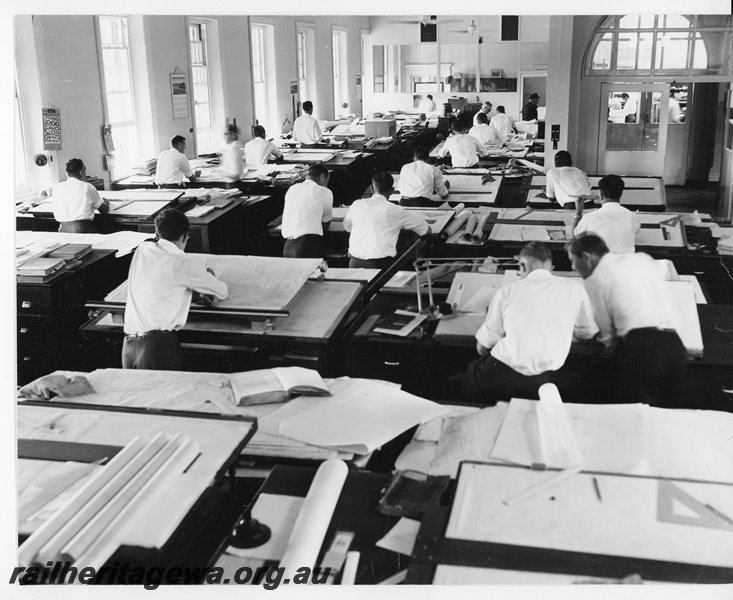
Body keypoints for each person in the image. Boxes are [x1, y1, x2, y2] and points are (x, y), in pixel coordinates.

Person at [461, 241, 598, 404]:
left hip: (501, 372)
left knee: (463, 381)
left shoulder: (507, 291)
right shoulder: (575, 288)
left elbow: (482, 346)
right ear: (550, 268)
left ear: (522, 266)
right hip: (546, 378)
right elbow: (588, 333)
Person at [566, 234, 687, 406]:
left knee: (634, 413)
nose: (572, 267)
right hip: (675, 347)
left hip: (642, 350)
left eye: (572, 261)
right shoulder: (642, 259)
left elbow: (606, 334)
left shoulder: (595, 278)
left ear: (586, 257)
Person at [122, 209, 229, 371]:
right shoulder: (182, 261)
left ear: (157, 234)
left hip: (128, 347)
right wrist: (207, 278)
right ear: (186, 236)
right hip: (156, 348)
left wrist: (190, 294)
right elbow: (221, 291)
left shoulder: (141, 250)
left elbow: (161, 285)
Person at [343, 172, 431, 269]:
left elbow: (347, 227)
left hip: (354, 263)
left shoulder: (356, 205)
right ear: (392, 190)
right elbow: (426, 230)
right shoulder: (396, 210)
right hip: (380, 266)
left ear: (372, 189)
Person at [574, 174, 641, 253]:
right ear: (621, 194)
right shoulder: (633, 217)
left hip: (602, 264)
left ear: (601, 195)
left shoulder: (590, 217)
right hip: (625, 264)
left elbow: (576, 237)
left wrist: (578, 212)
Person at [281, 164, 333, 258]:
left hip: (287, 246)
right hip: (308, 245)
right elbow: (326, 223)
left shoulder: (292, 189)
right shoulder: (325, 192)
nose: (326, 185)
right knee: (317, 271)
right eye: (327, 181)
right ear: (322, 177)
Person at [50, 158, 109, 233]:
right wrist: (105, 203)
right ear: (81, 172)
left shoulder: (56, 187)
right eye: (85, 170)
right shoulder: (87, 187)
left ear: (67, 173)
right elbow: (104, 210)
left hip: (62, 230)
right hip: (81, 229)